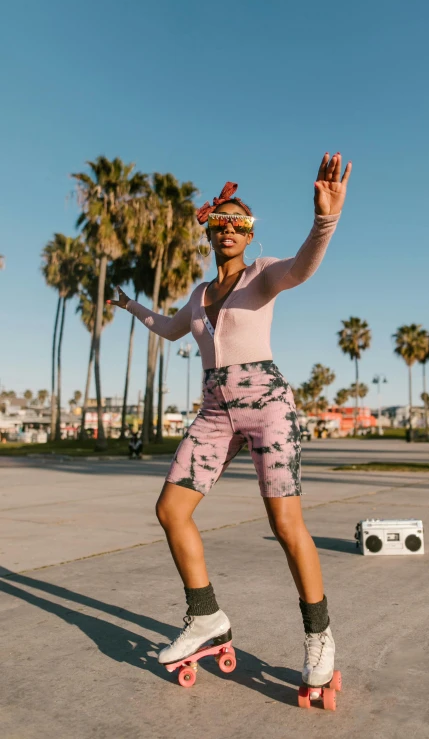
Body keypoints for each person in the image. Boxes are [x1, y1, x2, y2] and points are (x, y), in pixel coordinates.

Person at [108, 152, 352, 689]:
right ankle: (206, 617)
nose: (230, 230)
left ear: (248, 235)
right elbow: (171, 328)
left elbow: (302, 268)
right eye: (221, 222)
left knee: (286, 525)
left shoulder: (261, 277)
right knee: (171, 509)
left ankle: (319, 635)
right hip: (216, 408)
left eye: (240, 224)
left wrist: (324, 221)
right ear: (211, 231)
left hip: (267, 404)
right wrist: (129, 306)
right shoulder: (199, 295)